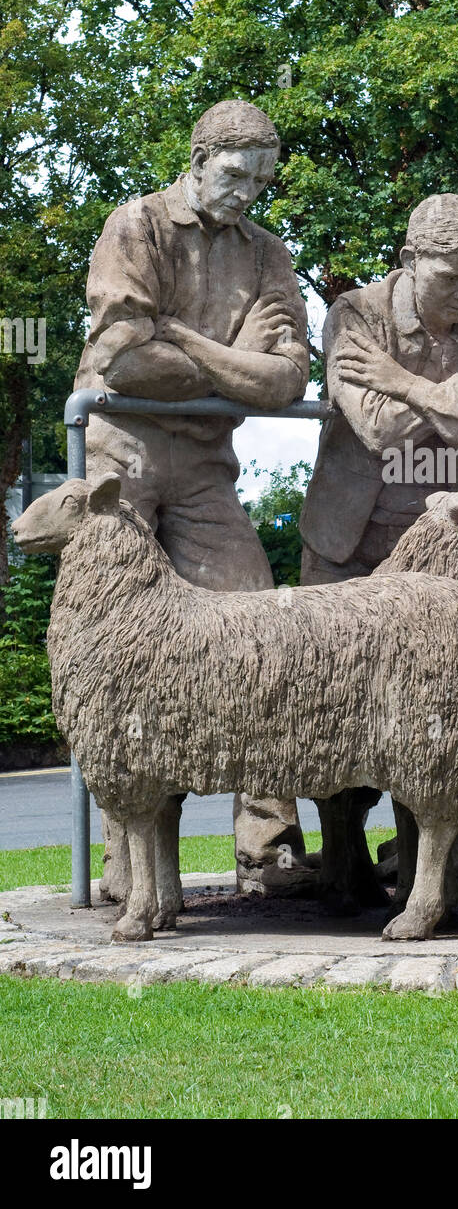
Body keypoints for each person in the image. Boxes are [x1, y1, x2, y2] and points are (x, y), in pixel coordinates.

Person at [246, 193, 458, 907]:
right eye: (448, 278)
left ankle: (426, 861)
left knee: (437, 704)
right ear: (409, 262)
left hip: (442, 552)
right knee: (329, 699)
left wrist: (404, 381)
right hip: (348, 544)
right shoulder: (356, 315)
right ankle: (341, 858)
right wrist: (449, 399)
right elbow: (375, 428)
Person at [76, 99, 310, 903]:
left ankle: (269, 838)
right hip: (121, 457)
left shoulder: (266, 254)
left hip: (207, 465)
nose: (247, 191)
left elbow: (285, 380)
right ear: (199, 159)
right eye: (236, 174)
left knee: (257, 635)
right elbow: (123, 362)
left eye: (262, 180)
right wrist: (229, 362)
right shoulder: (135, 226)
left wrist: (184, 340)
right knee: (122, 658)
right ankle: (125, 856)